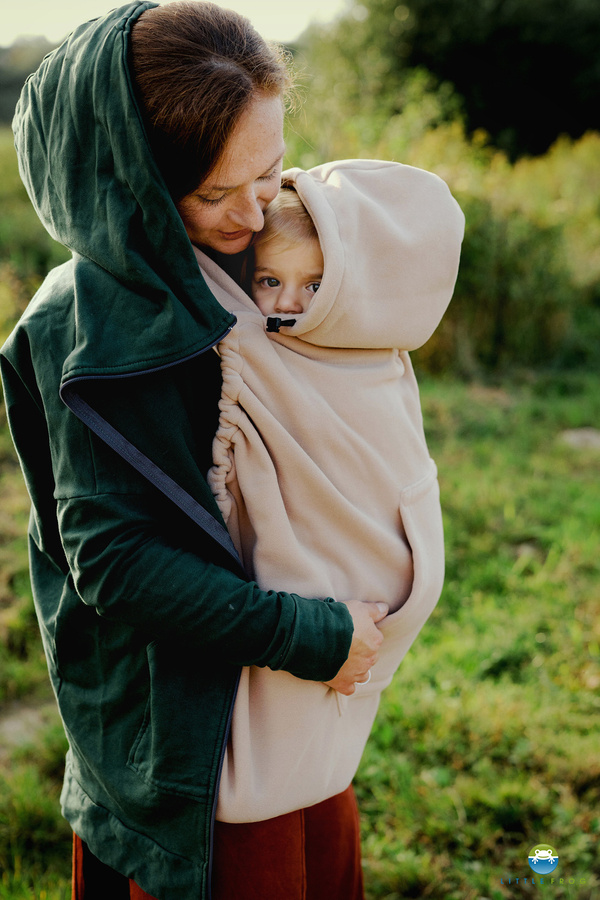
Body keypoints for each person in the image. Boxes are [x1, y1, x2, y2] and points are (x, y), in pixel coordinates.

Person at [0, 3, 389, 899]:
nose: (257, 212)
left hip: (286, 710)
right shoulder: (87, 327)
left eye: (273, 172)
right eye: (218, 192)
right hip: (195, 737)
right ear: (129, 181)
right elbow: (117, 560)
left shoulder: (246, 258)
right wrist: (309, 632)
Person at [196, 161, 463, 830]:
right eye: (269, 281)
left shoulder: (376, 356)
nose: (288, 304)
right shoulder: (254, 345)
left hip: (369, 614)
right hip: (294, 625)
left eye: (314, 284)